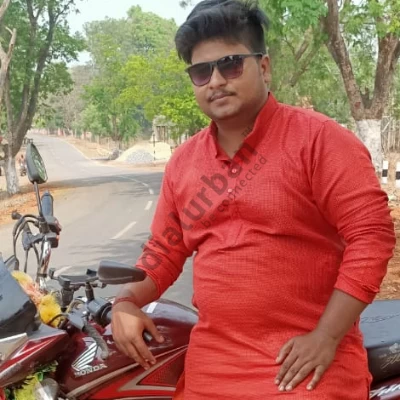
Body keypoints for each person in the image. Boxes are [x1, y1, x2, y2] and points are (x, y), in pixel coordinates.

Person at [111, 0, 396, 398]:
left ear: (264, 67)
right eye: (201, 71)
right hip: (214, 365)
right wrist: (124, 302)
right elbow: (165, 250)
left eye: (230, 65)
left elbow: (371, 237)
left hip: (305, 363)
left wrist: (326, 336)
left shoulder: (320, 140)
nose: (215, 81)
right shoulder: (184, 162)